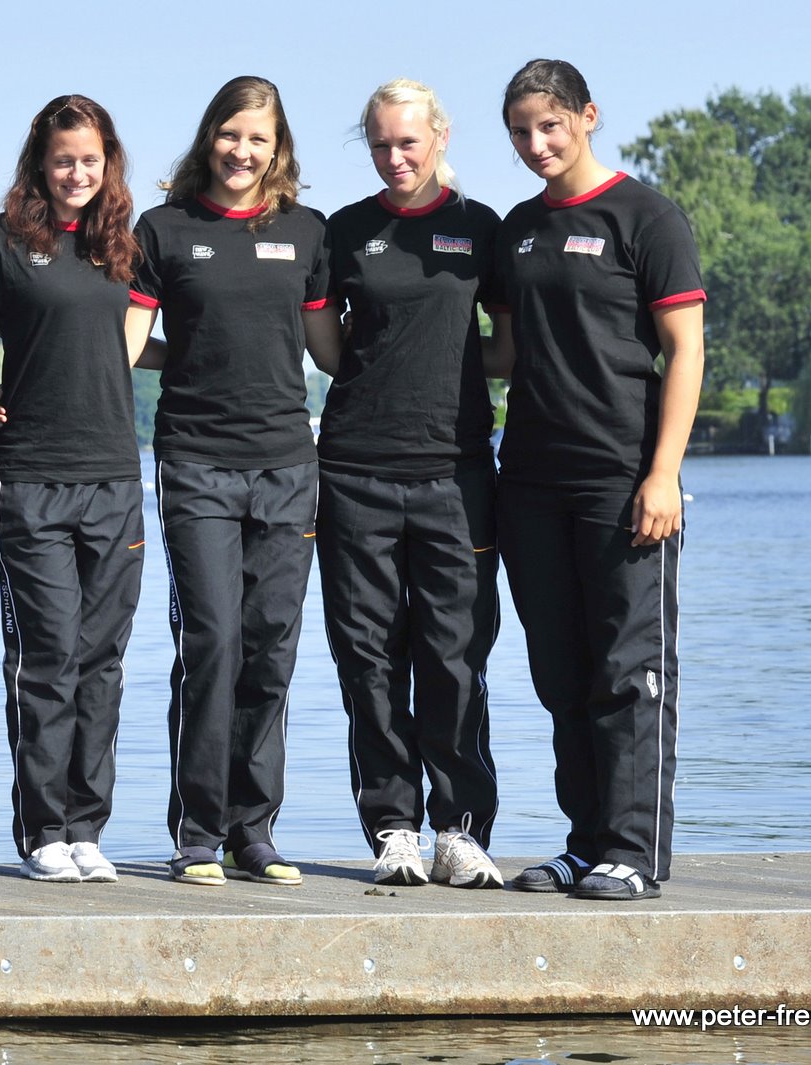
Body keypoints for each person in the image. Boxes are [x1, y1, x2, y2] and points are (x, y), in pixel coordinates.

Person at [490, 59, 705, 901]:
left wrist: (664, 473)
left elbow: (685, 350)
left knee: (628, 671)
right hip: (529, 481)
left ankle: (633, 851)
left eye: (549, 124)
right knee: (561, 671)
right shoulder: (517, 229)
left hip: (623, 479)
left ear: (588, 116)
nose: (536, 143)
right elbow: (506, 354)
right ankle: (584, 844)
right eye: (520, 131)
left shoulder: (647, 217)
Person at [128, 76, 329, 887]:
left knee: (272, 647)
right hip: (197, 462)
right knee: (212, 640)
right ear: (210, 135)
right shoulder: (164, 229)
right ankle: (198, 832)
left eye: (258, 138)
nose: (242, 151)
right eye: (231, 134)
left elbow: (329, 349)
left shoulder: (307, 231)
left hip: (288, 463)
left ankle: (255, 830)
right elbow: (126, 342)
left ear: (278, 149)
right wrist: (189, 353)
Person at [306, 79, 506, 890]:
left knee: (455, 656)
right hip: (355, 471)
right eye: (381, 144)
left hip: (456, 473)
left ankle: (460, 830)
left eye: (408, 142)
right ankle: (395, 828)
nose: (395, 157)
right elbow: (327, 347)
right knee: (369, 658)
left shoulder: (481, 228)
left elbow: (509, 346)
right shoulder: (346, 230)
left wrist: (449, 364)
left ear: (441, 136)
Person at [0, 95, 149, 883]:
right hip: (33, 479)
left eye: (90, 160)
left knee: (101, 662)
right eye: (63, 160)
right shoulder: (0, 244)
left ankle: (86, 828)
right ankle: (43, 829)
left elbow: (139, 340)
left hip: (114, 478)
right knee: (45, 656)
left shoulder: (125, 246)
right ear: (39, 166)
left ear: (108, 163)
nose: (78, 173)